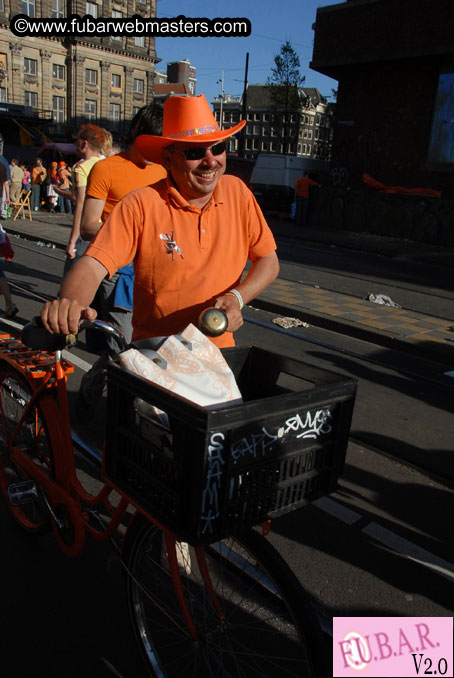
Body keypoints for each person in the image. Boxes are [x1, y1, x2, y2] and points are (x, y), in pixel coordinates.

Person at [41, 93, 279, 373]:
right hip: (156, 357)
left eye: (218, 147)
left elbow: (269, 261)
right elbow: (93, 265)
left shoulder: (238, 193)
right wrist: (69, 304)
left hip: (218, 355)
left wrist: (237, 298)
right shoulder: (141, 204)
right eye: (194, 152)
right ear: (168, 158)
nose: (210, 161)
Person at [75, 103, 166, 411]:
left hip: (154, 268)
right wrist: (125, 235)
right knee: (124, 345)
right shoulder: (107, 168)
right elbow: (88, 225)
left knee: (147, 343)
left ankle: (100, 384)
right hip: (118, 268)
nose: (156, 152)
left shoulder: (164, 171)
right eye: (151, 144)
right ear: (136, 135)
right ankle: (117, 410)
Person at [63, 124, 109, 269]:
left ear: (84, 144)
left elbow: (81, 203)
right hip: (103, 228)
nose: (75, 146)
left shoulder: (81, 167)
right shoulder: (106, 164)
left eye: (77, 142)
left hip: (86, 231)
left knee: (71, 286)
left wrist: (73, 239)